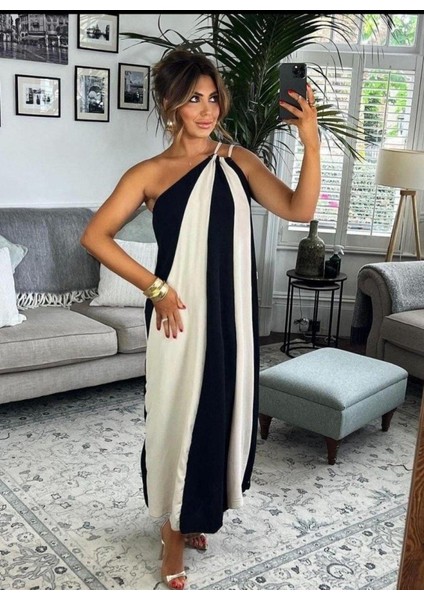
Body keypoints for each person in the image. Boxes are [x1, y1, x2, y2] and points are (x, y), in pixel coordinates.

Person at [80, 49, 320, 590]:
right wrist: (156, 288)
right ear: (171, 106)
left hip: (231, 315)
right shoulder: (149, 173)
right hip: (178, 317)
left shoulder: (238, 160)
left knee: (217, 414)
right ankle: (170, 530)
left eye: (213, 98)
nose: (208, 110)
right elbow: (95, 236)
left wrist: (310, 143)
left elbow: (299, 209)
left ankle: (195, 513)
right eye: (194, 99)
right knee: (172, 416)